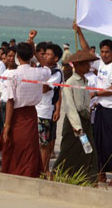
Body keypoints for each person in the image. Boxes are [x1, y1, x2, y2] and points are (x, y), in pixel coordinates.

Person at [0, 34, 51, 178]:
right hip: (31, 113)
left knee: (16, 144)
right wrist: (35, 52)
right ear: (30, 56)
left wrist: (7, 125)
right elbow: (47, 68)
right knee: (30, 145)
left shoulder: (13, 74)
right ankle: (29, 172)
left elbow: (10, 100)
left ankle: (15, 170)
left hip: (17, 114)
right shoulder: (38, 73)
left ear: (17, 56)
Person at [75, 23, 112, 185]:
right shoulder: (100, 64)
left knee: (111, 142)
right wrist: (79, 32)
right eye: (102, 51)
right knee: (97, 141)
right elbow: (86, 51)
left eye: (107, 52)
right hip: (99, 109)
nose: (104, 55)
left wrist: (95, 93)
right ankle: (101, 172)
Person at [53, 50, 99, 182]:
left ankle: (86, 179)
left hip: (85, 120)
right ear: (77, 65)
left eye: (88, 63)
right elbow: (70, 107)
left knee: (89, 152)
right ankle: (57, 175)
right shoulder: (70, 82)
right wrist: (77, 126)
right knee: (68, 151)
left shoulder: (85, 81)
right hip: (74, 123)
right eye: (85, 64)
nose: (88, 66)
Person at [35, 43, 63, 174]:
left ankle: (44, 169)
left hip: (45, 111)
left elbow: (46, 88)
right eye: (44, 54)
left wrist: (58, 110)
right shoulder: (40, 68)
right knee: (35, 142)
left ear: (56, 58)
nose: (45, 56)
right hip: (34, 108)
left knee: (44, 143)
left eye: (49, 54)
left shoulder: (56, 73)